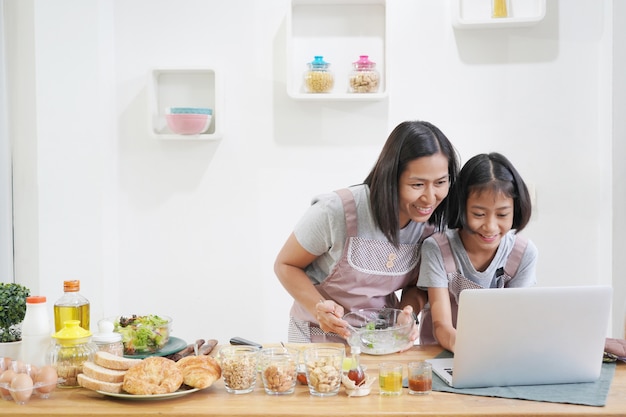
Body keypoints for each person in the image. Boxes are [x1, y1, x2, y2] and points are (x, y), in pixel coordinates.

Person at [274, 120, 460, 344]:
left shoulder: (432, 226)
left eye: (440, 182)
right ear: (391, 177)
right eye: (417, 185)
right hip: (318, 339)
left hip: (380, 340)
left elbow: (416, 285)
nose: (430, 198)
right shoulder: (336, 211)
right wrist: (318, 308)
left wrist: (407, 313)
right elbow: (286, 265)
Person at [417, 152, 538, 352]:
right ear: (461, 208)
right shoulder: (437, 249)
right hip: (441, 354)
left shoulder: (523, 254)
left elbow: (515, 320)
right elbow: (441, 326)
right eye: (479, 214)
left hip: (498, 352)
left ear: (515, 210)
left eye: (502, 214)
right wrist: (470, 350)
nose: (490, 226)